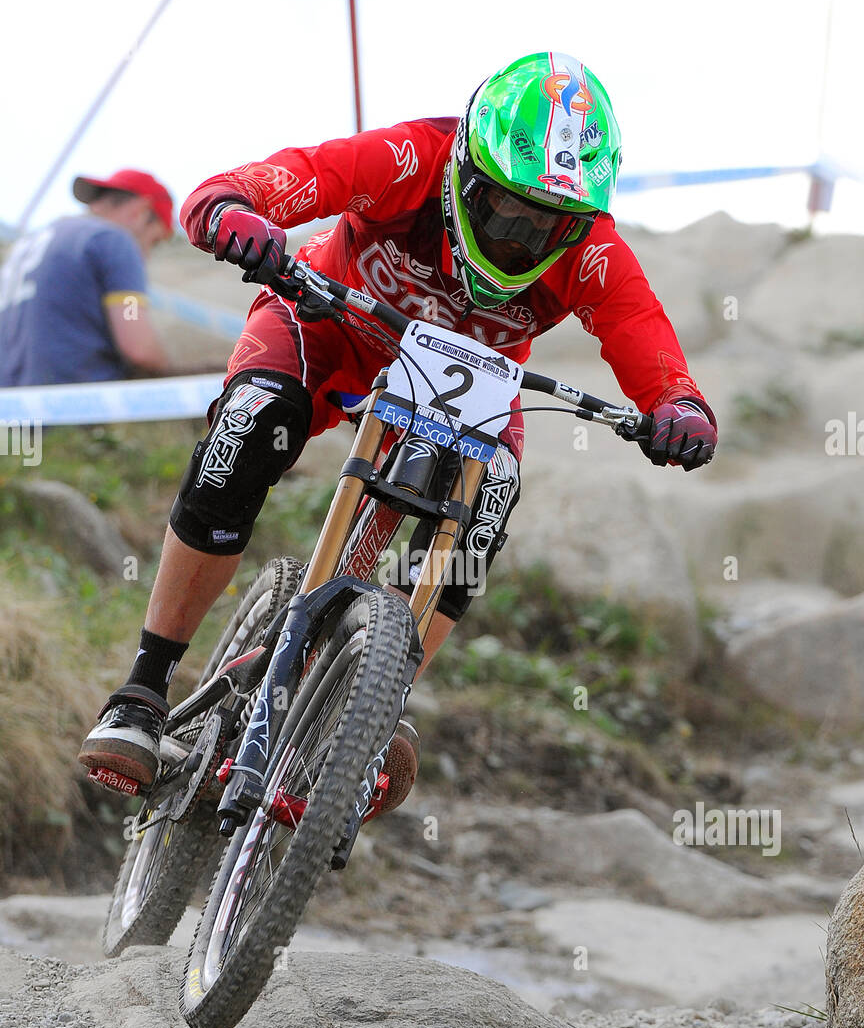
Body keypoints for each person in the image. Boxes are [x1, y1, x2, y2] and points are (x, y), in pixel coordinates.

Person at [78, 52, 717, 816]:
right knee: (248, 425)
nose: (520, 238)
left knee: (493, 498)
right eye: (505, 212)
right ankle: (142, 692)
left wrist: (679, 406)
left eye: (547, 227)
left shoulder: (595, 250)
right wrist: (234, 214)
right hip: (331, 326)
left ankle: (372, 712)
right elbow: (259, 183)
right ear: (465, 174)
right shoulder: (409, 156)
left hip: (470, 386)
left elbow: (642, 333)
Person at [0, 168, 174, 388]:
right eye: (154, 241)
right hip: (72, 408)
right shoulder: (114, 240)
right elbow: (139, 348)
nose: (147, 255)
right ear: (141, 212)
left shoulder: (25, 246)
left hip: (13, 410)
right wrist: (170, 371)